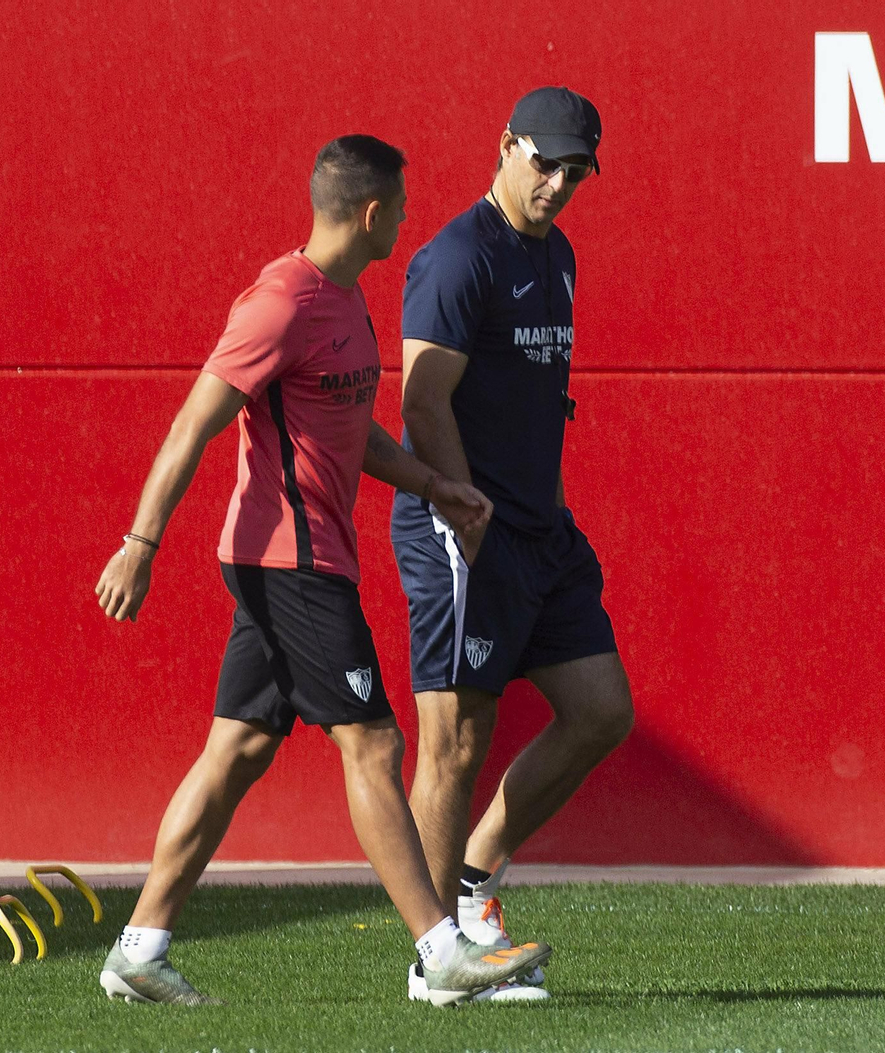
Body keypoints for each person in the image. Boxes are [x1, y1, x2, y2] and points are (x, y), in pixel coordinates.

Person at [92, 134, 550, 1008]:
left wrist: (435, 485)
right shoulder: (280, 303)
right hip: (288, 563)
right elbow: (194, 424)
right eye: (402, 206)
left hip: (302, 559)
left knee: (238, 746)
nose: (410, 218)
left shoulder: (345, 300)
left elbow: (351, 431)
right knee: (374, 742)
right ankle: (440, 950)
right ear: (372, 213)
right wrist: (140, 545)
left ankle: (139, 949)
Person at [391, 88, 634, 1003]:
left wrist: (549, 515)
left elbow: (541, 405)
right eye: (547, 161)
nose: (560, 182)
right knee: (454, 741)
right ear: (506, 147)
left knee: (602, 709)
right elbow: (421, 402)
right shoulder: (457, 257)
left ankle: (475, 877)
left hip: (541, 529)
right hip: (463, 527)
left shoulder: (558, 255)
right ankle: (439, 957)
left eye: (576, 169)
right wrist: (462, 511)